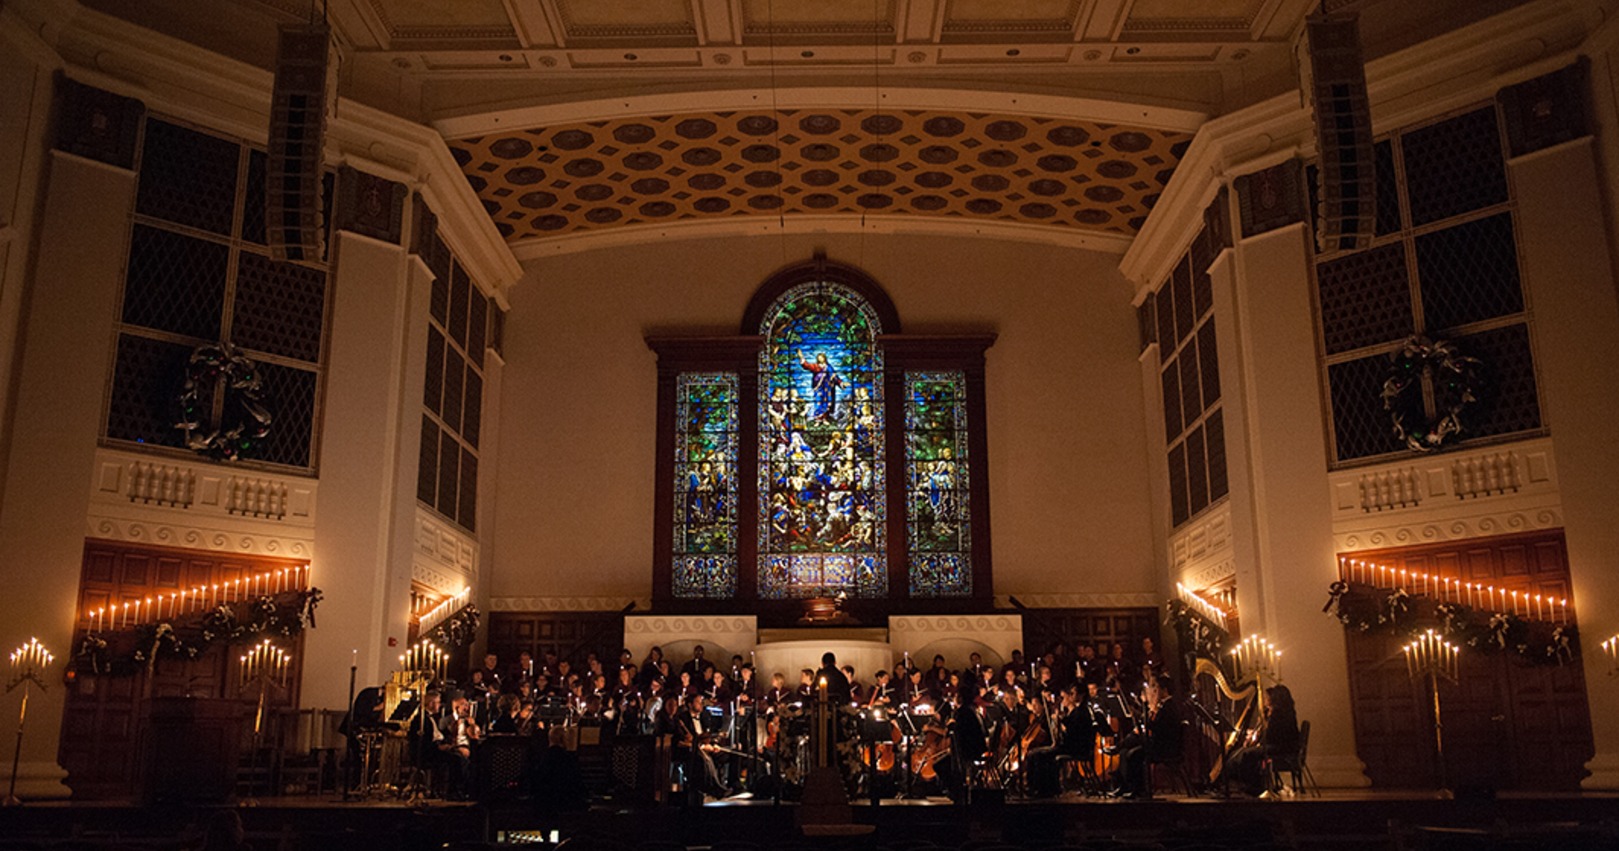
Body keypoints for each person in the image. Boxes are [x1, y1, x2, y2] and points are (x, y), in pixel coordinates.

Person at [1025, 684, 1094, 798]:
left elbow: (1073, 733)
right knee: (1033, 753)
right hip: (1069, 745)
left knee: (1041, 754)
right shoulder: (1076, 711)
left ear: (1081, 695)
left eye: (1073, 693)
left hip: (1076, 748)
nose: (1071, 696)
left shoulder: (1082, 711)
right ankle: (1035, 787)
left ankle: (1046, 789)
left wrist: (1061, 722)